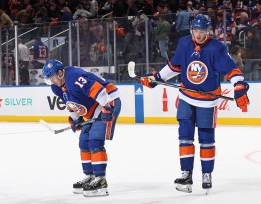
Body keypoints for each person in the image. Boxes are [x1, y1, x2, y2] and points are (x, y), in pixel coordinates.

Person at [140, 14, 250, 194]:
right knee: (184, 136)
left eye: (202, 31)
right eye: (196, 30)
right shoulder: (184, 43)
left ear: (208, 31)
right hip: (186, 97)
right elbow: (175, 66)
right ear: (192, 30)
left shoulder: (217, 47)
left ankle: (207, 174)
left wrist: (238, 84)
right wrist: (157, 78)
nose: (198, 35)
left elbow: (231, 70)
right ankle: (186, 174)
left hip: (207, 101)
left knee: (206, 138)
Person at [42, 59, 121, 197]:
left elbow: (98, 90)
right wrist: (76, 119)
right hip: (93, 106)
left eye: (53, 77)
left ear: (60, 73)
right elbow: (70, 102)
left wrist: (107, 108)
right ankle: (89, 176)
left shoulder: (73, 76)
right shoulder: (57, 87)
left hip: (107, 99)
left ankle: (101, 180)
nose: (52, 81)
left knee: (95, 140)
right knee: (84, 141)